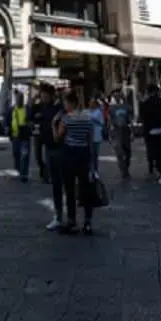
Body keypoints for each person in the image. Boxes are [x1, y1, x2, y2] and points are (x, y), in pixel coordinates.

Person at [55, 90, 95, 235]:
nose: (64, 105)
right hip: (83, 154)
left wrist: (54, 124)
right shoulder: (87, 118)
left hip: (70, 154)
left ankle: (72, 221)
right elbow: (90, 140)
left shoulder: (66, 119)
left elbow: (58, 138)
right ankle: (88, 221)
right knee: (85, 189)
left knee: (70, 189)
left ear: (70, 103)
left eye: (65, 102)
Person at [34, 85, 63, 231]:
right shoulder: (42, 109)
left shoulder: (58, 109)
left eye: (44, 95)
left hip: (59, 149)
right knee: (56, 184)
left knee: (62, 183)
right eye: (41, 95)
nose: (42, 97)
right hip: (48, 148)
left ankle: (65, 216)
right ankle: (59, 215)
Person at [108, 92, 132, 179]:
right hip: (116, 130)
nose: (117, 98)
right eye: (116, 97)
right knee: (119, 152)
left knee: (128, 151)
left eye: (119, 96)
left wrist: (132, 131)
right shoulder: (112, 108)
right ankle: (123, 170)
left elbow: (130, 119)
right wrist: (109, 133)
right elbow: (110, 121)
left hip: (125, 130)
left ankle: (126, 167)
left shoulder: (126, 107)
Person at [9, 92, 30, 181]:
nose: (18, 100)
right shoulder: (12, 109)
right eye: (17, 98)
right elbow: (8, 119)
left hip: (24, 136)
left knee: (24, 156)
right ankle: (19, 170)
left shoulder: (27, 109)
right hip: (15, 136)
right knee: (16, 154)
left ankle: (24, 174)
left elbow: (31, 119)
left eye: (20, 98)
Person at [88, 97, 105, 175]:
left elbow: (101, 122)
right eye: (90, 103)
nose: (90, 104)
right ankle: (90, 170)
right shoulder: (87, 112)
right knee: (90, 155)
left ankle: (95, 170)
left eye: (92, 103)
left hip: (96, 135)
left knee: (95, 154)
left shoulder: (98, 112)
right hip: (89, 136)